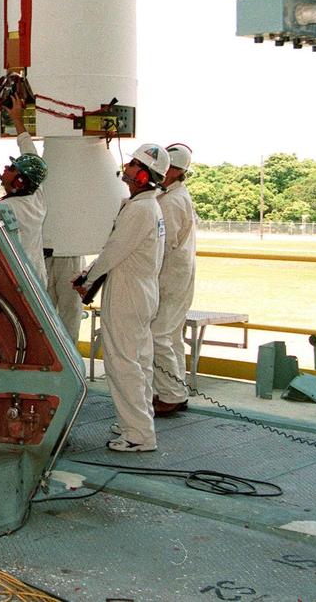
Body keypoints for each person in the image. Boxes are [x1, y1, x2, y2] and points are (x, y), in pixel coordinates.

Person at [74, 143, 169, 453]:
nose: (126, 169)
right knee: (139, 360)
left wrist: (86, 279)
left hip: (128, 291)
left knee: (122, 363)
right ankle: (137, 420)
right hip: (141, 290)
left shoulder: (140, 209)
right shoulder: (148, 206)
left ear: (143, 175)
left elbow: (114, 251)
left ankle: (138, 434)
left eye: (132, 166)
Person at [152, 143, 197, 415]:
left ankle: (170, 394)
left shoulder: (171, 201)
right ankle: (176, 390)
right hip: (178, 275)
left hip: (170, 277)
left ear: (175, 171)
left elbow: (160, 245)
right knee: (172, 336)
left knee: (159, 336)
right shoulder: (172, 195)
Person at [0, 97, 48, 283]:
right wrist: (17, 118)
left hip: (22, 280)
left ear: (19, 181)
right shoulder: (36, 195)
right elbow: (30, 154)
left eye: (11, 169)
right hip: (37, 276)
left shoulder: (9, 208)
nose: (5, 168)